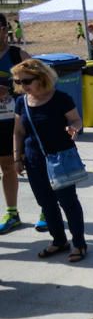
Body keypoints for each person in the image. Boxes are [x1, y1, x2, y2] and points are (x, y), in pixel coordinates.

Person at [12, 58, 87, 263]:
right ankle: (59, 241)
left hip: (59, 159)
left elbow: (76, 119)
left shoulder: (60, 98)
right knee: (45, 203)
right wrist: (17, 158)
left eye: (26, 81)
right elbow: (18, 132)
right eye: (18, 82)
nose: (22, 86)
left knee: (68, 202)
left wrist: (74, 128)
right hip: (34, 161)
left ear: (41, 78)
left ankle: (79, 244)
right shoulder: (21, 102)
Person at [0, 15, 31, 234]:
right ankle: (12, 212)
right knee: (6, 167)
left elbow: (42, 83)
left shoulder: (17, 55)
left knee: (23, 166)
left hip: (14, 121)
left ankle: (45, 212)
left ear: (4, 29)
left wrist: (10, 90)